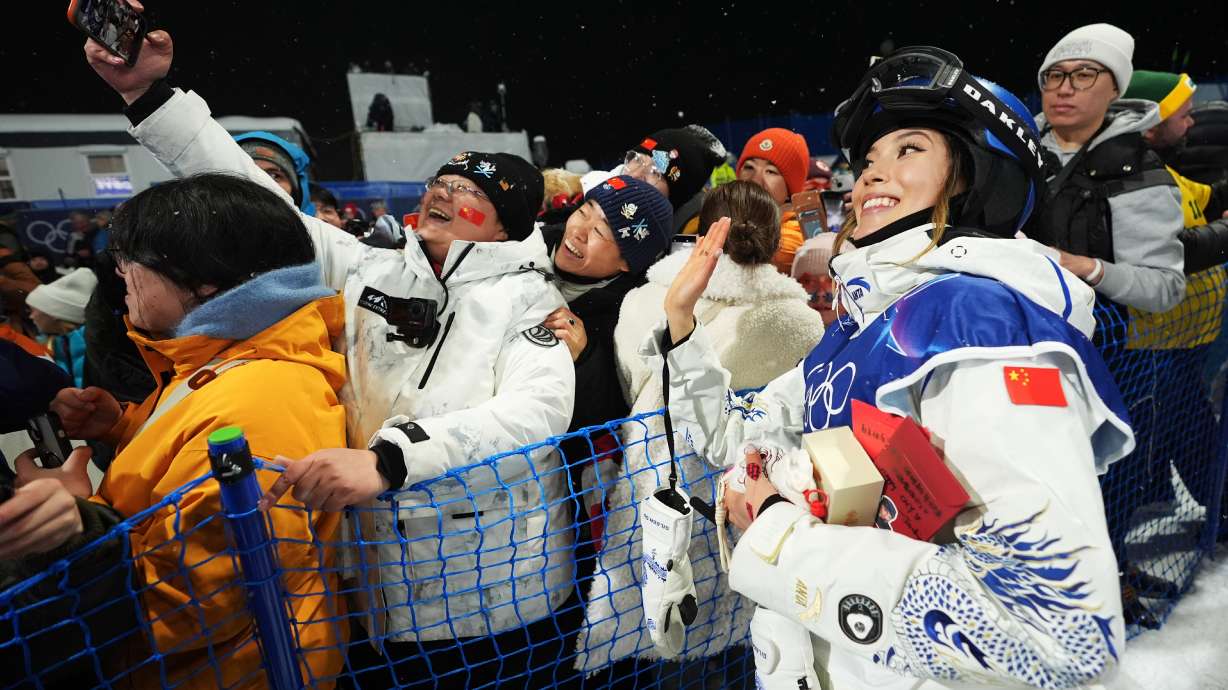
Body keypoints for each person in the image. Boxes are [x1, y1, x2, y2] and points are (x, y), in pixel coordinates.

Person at [86, 26, 576, 689]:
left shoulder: (529, 301)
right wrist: (149, 96)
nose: (441, 193)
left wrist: (391, 460)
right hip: (375, 589)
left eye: (470, 192)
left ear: (506, 224)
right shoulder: (370, 267)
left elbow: (536, 413)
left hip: (493, 594)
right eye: (440, 180)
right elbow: (252, 205)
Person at [650, 47, 1132, 689]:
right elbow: (729, 436)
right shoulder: (861, 325)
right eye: (870, 158)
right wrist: (682, 324)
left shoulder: (980, 328)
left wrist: (778, 533)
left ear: (975, 176)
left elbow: (1056, 634)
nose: (874, 173)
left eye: (909, 150)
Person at [7, 173, 348, 689]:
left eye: (132, 261)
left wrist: (76, 519)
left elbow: (197, 603)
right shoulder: (220, 362)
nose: (120, 274)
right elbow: (183, 467)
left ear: (204, 281)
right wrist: (124, 426)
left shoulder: (261, 399)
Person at [576, 180, 823, 674]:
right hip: (743, 506)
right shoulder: (800, 322)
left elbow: (630, 384)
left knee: (645, 626)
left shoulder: (645, 299)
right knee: (735, 642)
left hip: (650, 489)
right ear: (776, 238)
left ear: (702, 230)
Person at [1028, 23, 1186, 314]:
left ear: (1115, 89)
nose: (1064, 89)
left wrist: (1089, 268)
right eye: (1055, 75)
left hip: (1091, 334)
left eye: (1084, 75)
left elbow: (1166, 287)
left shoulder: (1137, 170)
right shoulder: (1014, 150)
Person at [735, 128, 811, 274]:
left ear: (790, 190)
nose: (755, 179)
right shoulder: (731, 221)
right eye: (749, 167)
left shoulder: (792, 238)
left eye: (771, 171)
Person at [27, 267, 96, 387]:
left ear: (53, 313)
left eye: (33, 310)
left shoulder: (95, 347)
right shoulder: (58, 344)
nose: (31, 316)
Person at [235, 130, 317, 215]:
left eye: (274, 176)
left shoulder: (314, 224)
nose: (261, 184)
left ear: (296, 192)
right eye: (247, 173)